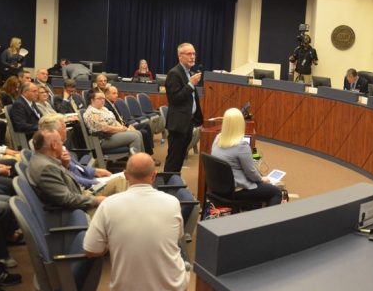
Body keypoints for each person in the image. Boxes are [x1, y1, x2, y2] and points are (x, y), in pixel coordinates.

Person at [83, 153, 189, 291]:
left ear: (125, 175)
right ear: (154, 176)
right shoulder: (172, 202)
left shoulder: (108, 204)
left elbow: (90, 250)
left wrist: (111, 242)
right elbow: (178, 237)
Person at [211, 108, 283, 206]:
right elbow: (251, 173)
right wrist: (262, 179)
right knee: (275, 192)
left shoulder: (218, 138)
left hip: (218, 188)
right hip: (235, 191)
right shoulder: (241, 145)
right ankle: (269, 221)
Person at [38, 114, 122, 193]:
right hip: (85, 189)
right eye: (64, 128)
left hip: (87, 181)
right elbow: (71, 178)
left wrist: (94, 171)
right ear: (56, 131)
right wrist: (95, 182)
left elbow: (78, 167)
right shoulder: (52, 152)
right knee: (122, 181)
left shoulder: (61, 146)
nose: (66, 131)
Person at [27, 130, 105, 211]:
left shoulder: (41, 159)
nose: (62, 144)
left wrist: (65, 166)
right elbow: (67, 199)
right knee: (117, 191)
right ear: (54, 145)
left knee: (117, 182)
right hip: (79, 209)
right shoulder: (47, 167)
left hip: (81, 196)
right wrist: (97, 200)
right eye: (60, 141)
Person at [164, 43, 203, 174]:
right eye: (189, 54)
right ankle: (167, 187)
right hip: (178, 124)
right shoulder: (174, 73)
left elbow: (190, 98)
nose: (192, 57)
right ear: (180, 57)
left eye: (194, 54)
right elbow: (175, 99)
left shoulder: (188, 73)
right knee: (173, 160)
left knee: (180, 158)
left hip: (188, 123)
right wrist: (191, 84)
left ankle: (175, 183)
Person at [104, 85, 159, 165]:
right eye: (114, 93)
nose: (116, 95)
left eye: (117, 93)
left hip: (123, 125)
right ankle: (147, 156)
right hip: (119, 129)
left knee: (146, 125)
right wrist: (126, 127)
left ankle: (149, 151)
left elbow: (120, 118)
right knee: (143, 132)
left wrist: (128, 125)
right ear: (107, 95)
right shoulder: (106, 106)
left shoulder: (113, 103)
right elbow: (114, 122)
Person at [83, 90, 145, 155]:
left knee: (138, 133)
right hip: (104, 139)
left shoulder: (103, 108)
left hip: (113, 134)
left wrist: (124, 128)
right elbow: (105, 128)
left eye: (103, 98)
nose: (102, 100)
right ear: (92, 100)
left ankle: (142, 158)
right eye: (99, 98)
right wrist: (121, 129)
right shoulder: (91, 113)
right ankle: (136, 162)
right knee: (135, 136)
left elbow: (114, 120)